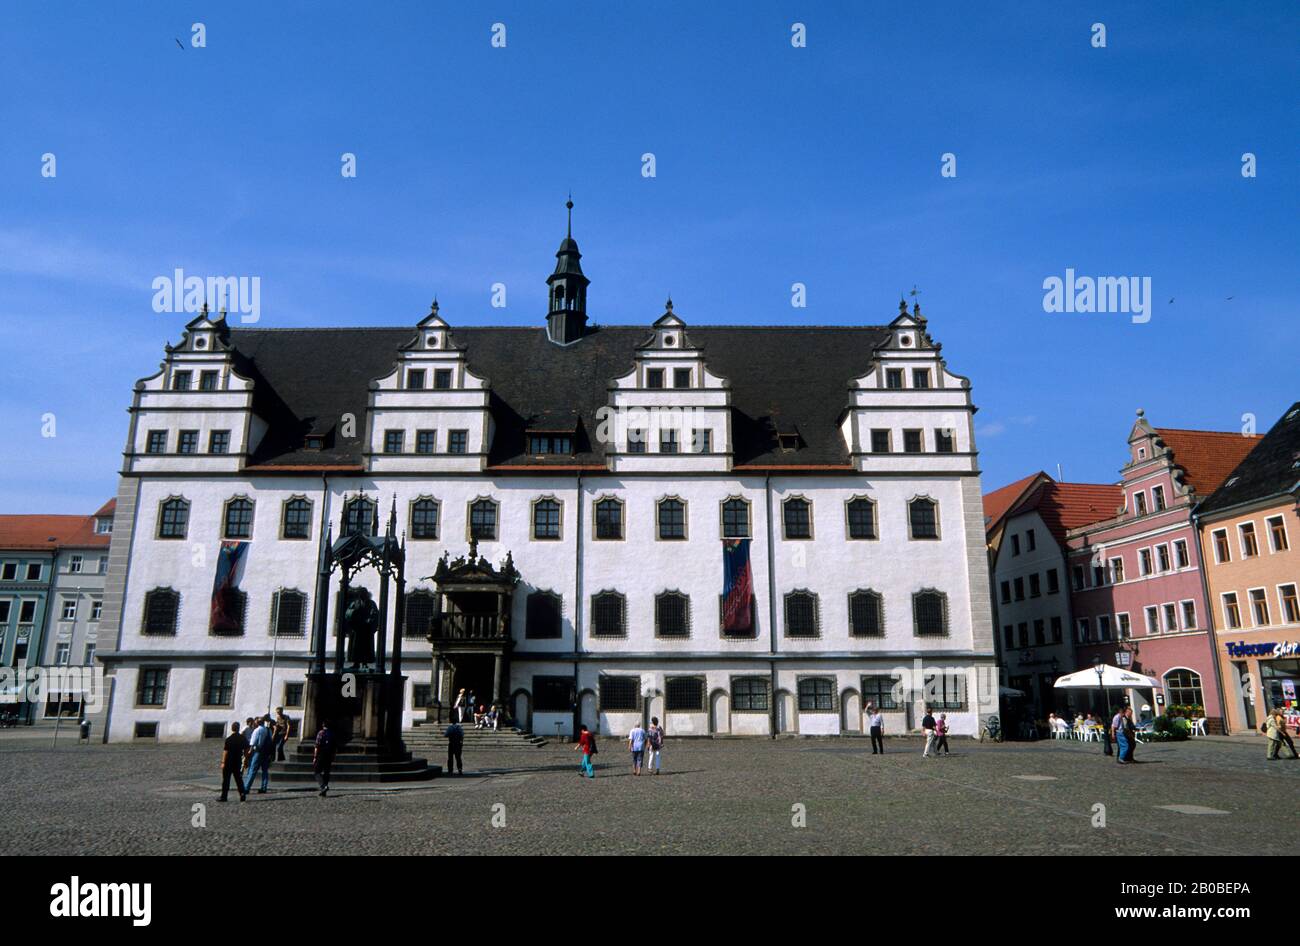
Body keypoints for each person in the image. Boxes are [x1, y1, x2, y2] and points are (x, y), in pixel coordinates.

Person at [219, 722, 249, 802]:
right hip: (237, 761)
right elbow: (246, 750)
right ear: (238, 728)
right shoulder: (242, 738)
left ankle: (224, 796)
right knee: (239, 779)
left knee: (226, 780)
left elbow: (226, 752)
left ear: (232, 728)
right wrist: (246, 760)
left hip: (229, 762)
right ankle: (242, 793)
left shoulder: (229, 739)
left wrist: (223, 762)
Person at [244, 715, 274, 794]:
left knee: (252, 770)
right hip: (266, 752)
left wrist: (249, 753)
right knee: (265, 771)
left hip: (257, 752)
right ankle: (264, 787)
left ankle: (246, 788)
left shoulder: (257, 730)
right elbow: (271, 741)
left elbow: (253, 743)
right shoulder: (268, 730)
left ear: (257, 723)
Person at [313, 719, 336, 797]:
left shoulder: (321, 733)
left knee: (317, 771)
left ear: (323, 725)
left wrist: (315, 757)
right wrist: (333, 756)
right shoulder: (332, 734)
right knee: (326, 772)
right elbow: (334, 747)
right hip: (329, 755)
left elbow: (317, 745)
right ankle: (324, 791)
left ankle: (323, 786)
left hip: (321, 754)